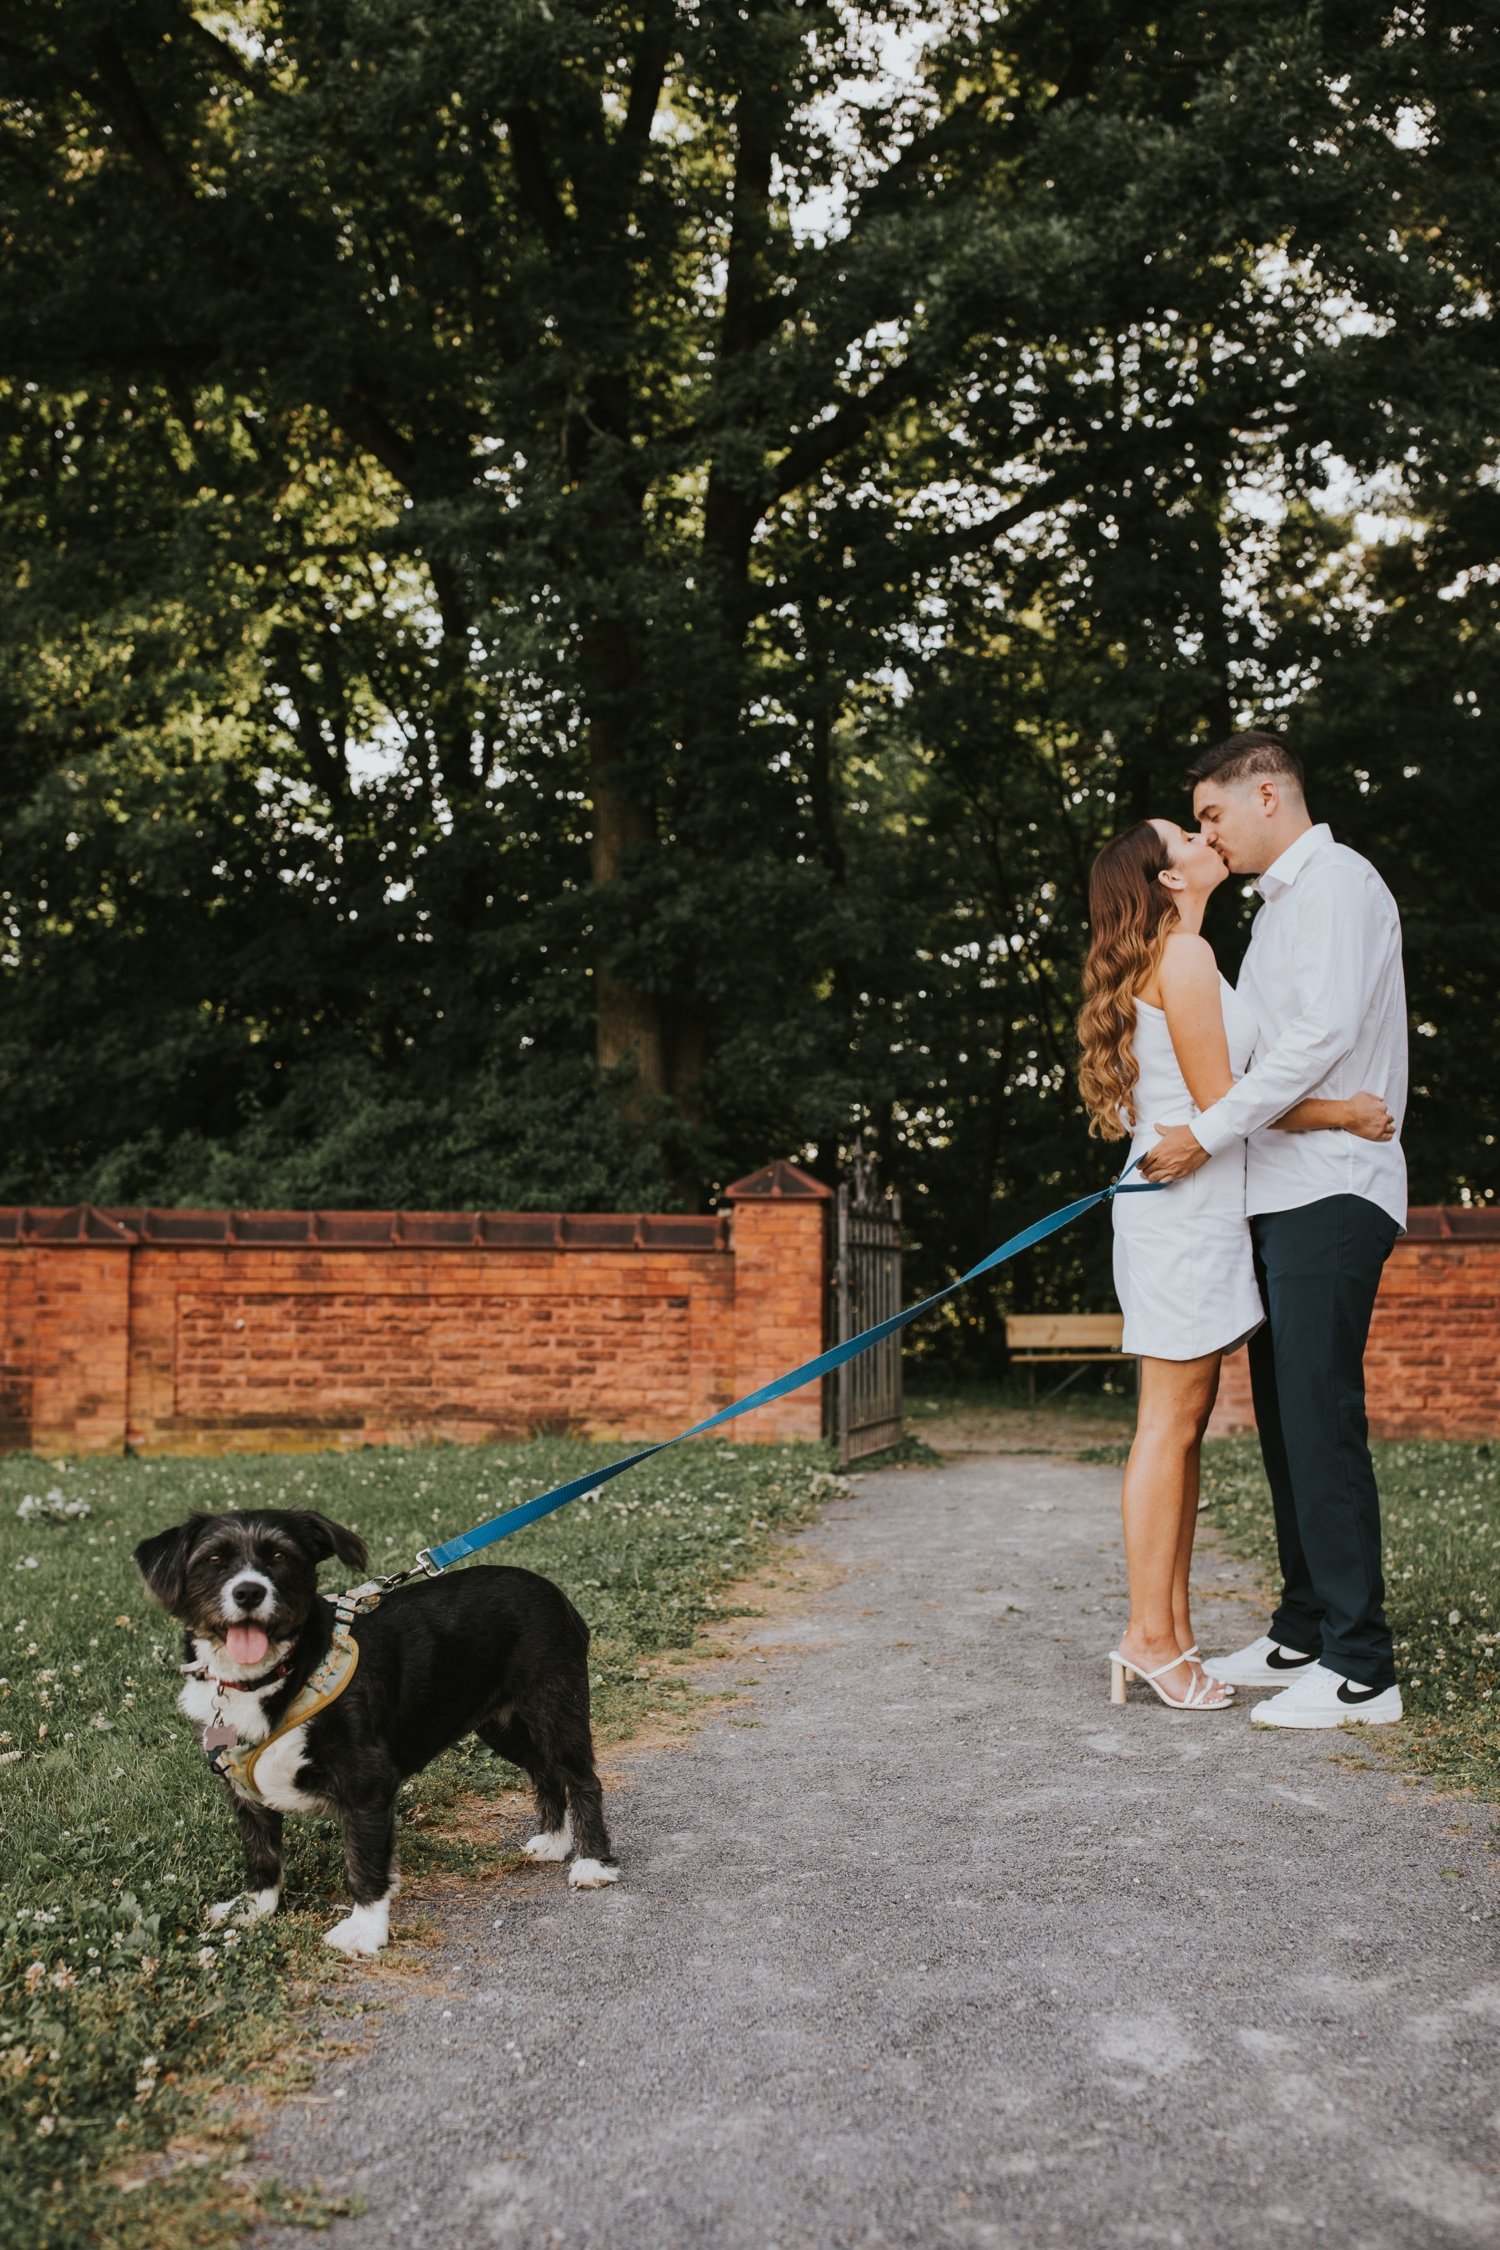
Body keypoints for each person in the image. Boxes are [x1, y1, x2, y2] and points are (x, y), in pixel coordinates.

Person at [1078, 815, 1394, 1712]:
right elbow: (1229, 1105)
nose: (1200, 835)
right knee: (1168, 1428)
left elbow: (1221, 1103)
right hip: (1183, 1214)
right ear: (1167, 877)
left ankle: (1171, 1635)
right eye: (1183, 833)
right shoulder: (1183, 959)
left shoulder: (1191, 953)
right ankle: (1148, 1637)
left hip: (1198, 1211)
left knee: (1180, 1428)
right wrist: (1341, 1116)